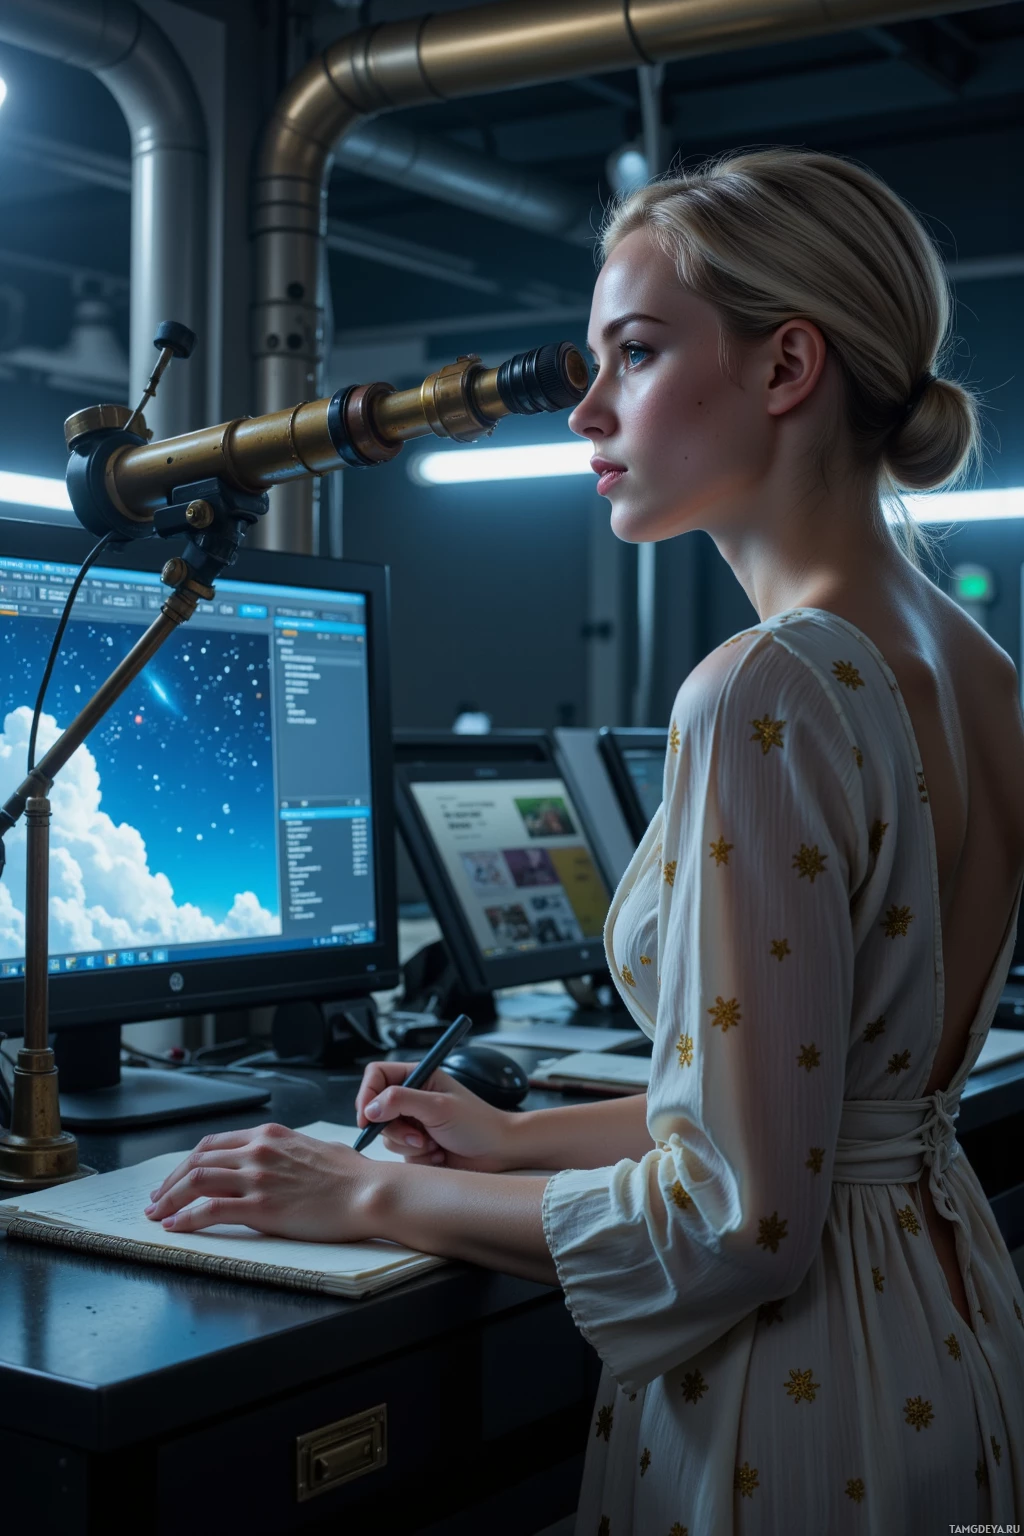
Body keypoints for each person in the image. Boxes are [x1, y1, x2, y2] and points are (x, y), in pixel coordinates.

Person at [145, 150, 1024, 1533]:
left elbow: (735, 1225)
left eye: (636, 353)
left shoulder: (766, 687)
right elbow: (819, 1111)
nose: (590, 414)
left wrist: (366, 1189)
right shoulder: (975, 664)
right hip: (942, 1332)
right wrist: (509, 1136)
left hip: (797, 1404)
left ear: (788, 366)